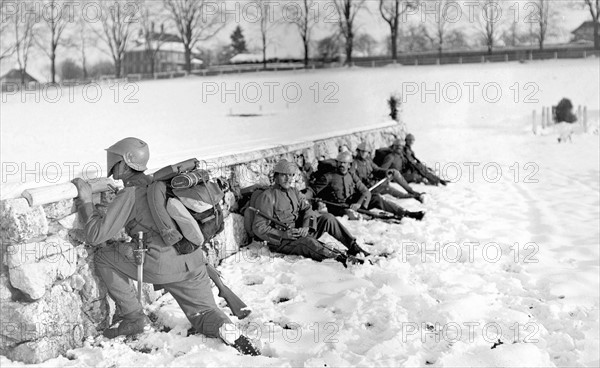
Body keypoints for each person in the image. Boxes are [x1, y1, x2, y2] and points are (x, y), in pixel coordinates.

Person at [71, 137, 260, 355]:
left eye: (115, 161)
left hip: (158, 264)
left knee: (104, 256)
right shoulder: (160, 183)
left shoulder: (130, 193)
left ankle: (133, 317)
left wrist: (86, 201)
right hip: (192, 259)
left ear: (124, 163)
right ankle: (226, 328)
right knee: (205, 313)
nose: (112, 167)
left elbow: (96, 234)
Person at [251, 159, 369, 266]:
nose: (288, 179)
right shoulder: (268, 196)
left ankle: (354, 247)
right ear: (276, 176)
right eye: (284, 175)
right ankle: (341, 259)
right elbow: (259, 228)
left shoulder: (294, 192)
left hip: (301, 233)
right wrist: (283, 235)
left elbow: (309, 211)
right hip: (283, 242)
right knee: (308, 242)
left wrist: (306, 226)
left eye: (291, 175)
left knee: (328, 218)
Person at [311, 151, 425, 221]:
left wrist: (359, 203)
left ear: (349, 164)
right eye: (340, 162)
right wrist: (304, 195)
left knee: (377, 198)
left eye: (345, 163)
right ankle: (380, 218)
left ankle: (405, 213)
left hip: (352, 203)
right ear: (336, 163)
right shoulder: (328, 177)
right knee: (354, 215)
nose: (342, 165)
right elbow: (313, 190)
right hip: (339, 208)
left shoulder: (351, 175)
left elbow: (366, 191)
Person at [352, 141, 424, 202]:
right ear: (358, 151)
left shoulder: (368, 161)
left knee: (394, 172)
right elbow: (353, 181)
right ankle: (414, 197)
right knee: (398, 194)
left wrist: (387, 172)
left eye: (366, 152)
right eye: (362, 151)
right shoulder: (354, 163)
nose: (364, 154)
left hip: (375, 183)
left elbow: (377, 169)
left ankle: (412, 192)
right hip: (369, 188)